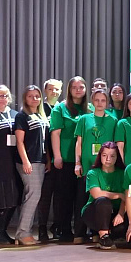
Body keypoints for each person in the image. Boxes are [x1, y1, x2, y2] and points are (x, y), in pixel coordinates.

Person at [74, 88, 118, 242]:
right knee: (82, 199)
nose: (100, 103)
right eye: (97, 100)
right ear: (92, 101)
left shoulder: (113, 121)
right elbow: (79, 143)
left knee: (98, 200)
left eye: (103, 100)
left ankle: (96, 232)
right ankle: (79, 234)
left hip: (104, 168)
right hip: (87, 166)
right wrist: (77, 162)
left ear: (107, 103)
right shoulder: (84, 119)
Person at [50, 76, 90, 241]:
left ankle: (81, 231)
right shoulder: (60, 108)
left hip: (84, 161)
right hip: (66, 159)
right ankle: (64, 230)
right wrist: (57, 156)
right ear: (69, 90)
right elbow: (55, 133)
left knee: (81, 198)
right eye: (74, 87)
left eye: (81, 87)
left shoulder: (90, 109)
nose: (78, 90)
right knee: (65, 197)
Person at [14, 85, 50, 245]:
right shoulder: (22, 116)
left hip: (40, 160)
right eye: (30, 96)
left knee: (34, 195)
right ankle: (23, 233)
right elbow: (20, 142)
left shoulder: (41, 115)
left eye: (37, 96)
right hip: (29, 161)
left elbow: (44, 141)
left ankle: (24, 232)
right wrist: (25, 161)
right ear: (25, 98)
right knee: (33, 195)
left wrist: (47, 159)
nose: (34, 99)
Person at [0, 85, 20, 245]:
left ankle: (2, 231)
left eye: (4, 95)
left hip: (13, 163)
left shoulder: (15, 115)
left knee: (13, 198)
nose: (1, 99)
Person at [81, 142, 126, 250]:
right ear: (100, 156)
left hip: (116, 213)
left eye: (112, 156)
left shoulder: (123, 173)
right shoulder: (93, 173)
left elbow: (126, 197)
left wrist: (121, 214)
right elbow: (97, 194)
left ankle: (114, 235)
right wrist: (118, 195)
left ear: (117, 157)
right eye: (104, 155)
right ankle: (103, 236)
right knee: (103, 201)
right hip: (94, 213)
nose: (108, 159)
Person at [36, 78, 63, 241]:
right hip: (45, 159)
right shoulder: (39, 108)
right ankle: (42, 228)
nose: (54, 92)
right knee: (45, 196)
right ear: (45, 91)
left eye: (57, 89)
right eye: (51, 89)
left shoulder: (62, 108)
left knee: (60, 196)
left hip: (60, 159)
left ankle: (57, 227)